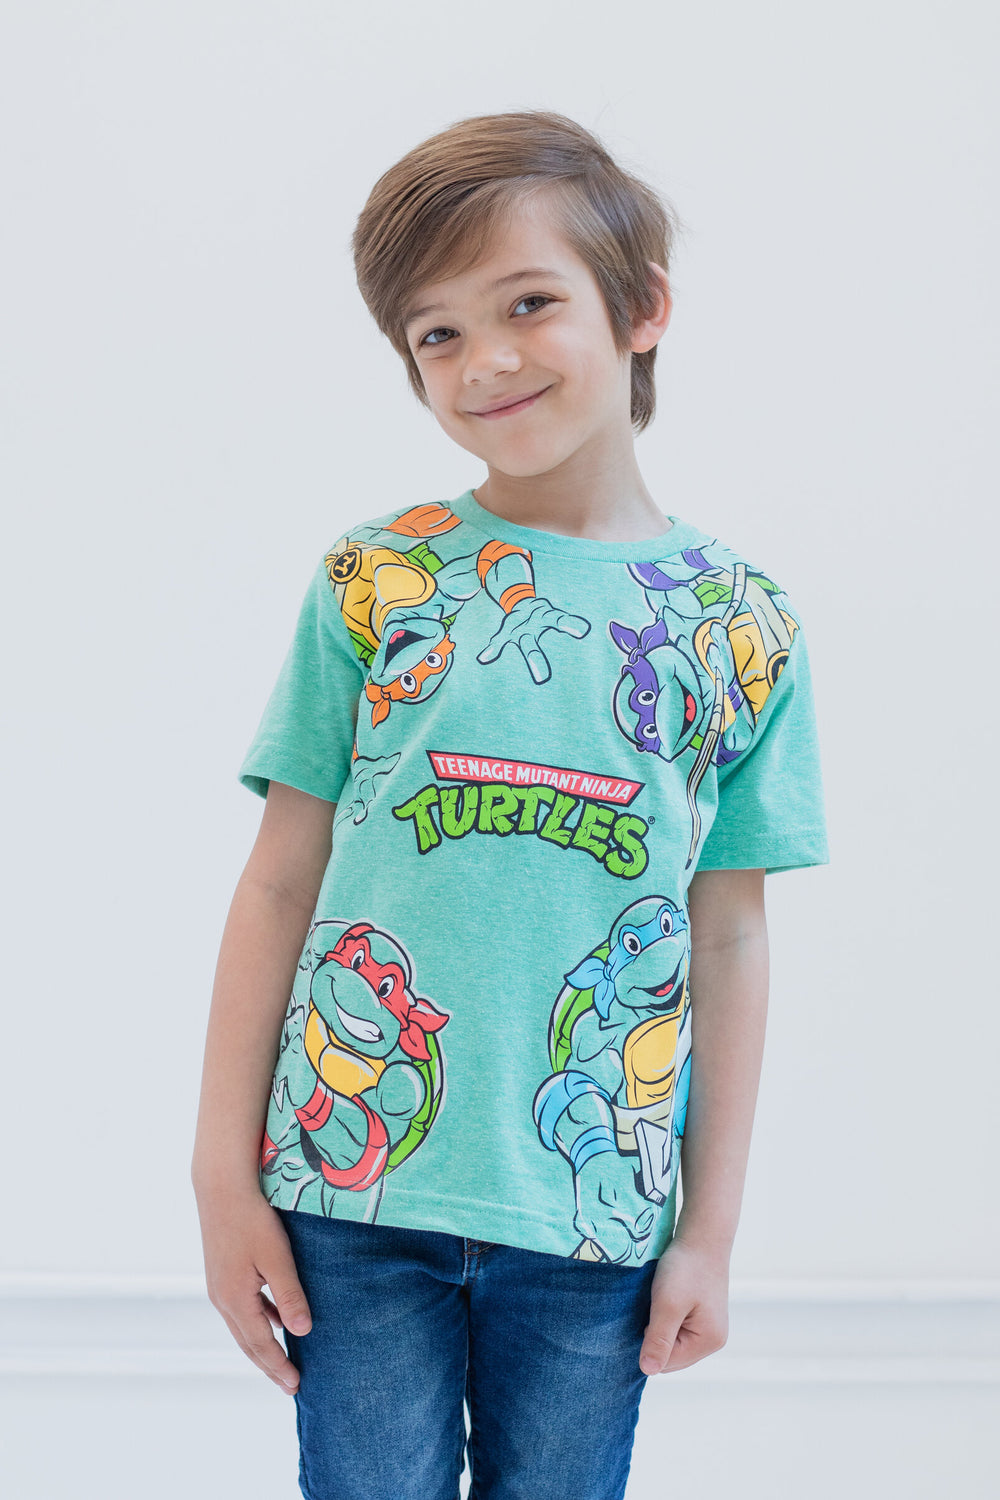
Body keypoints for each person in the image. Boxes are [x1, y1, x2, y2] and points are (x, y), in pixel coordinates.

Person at [191, 109, 828, 1500]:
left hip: (594, 1215)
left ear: (642, 309)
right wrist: (219, 1178)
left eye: (527, 304)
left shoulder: (741, 624)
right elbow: (280, 878)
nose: (484, 360)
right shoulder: (378, 579)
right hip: (349, 1199)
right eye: (437, 333)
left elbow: (728, 937)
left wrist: (710, 1232)